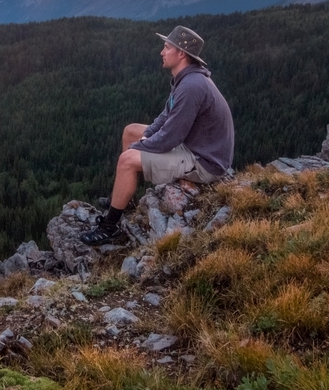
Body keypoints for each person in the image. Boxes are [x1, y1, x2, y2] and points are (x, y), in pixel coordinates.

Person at [80, 26, 234, 246]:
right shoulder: (184, 79)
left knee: (127, 160)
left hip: (205, 162)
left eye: (166, 47)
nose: (162, 52)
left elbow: (171, 136)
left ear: (181, 53)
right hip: (195, 146)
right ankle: (127, 199)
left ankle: (109, 227)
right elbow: (164, 118)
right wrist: (143, 139)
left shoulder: (192, 86)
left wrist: (142, 147)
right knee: (130, 131)